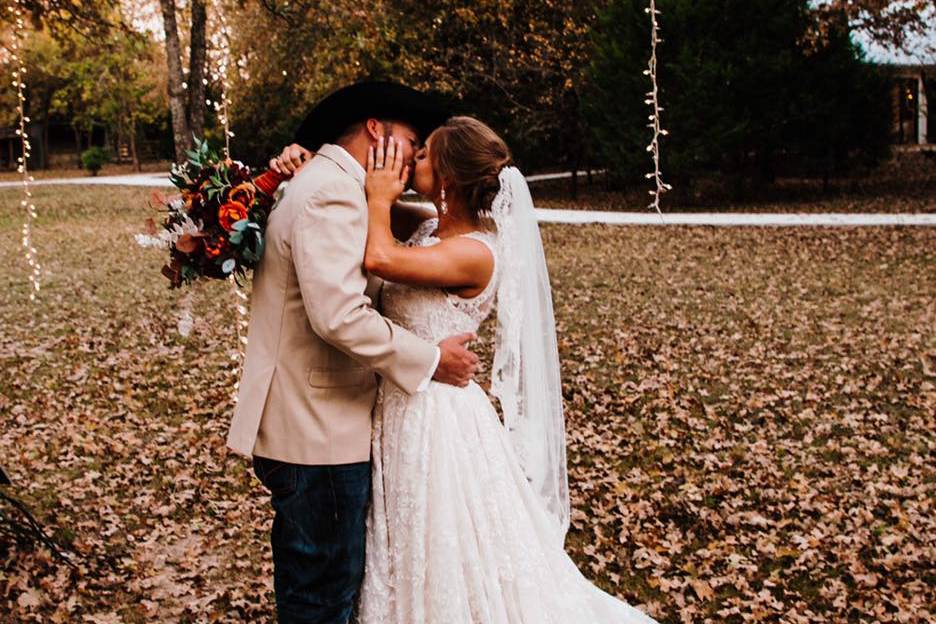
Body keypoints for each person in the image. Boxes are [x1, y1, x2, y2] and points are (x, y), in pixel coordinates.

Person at [353, 116, 660, 622]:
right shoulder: (431, 227)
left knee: (443, 540)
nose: (414, 160)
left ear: (448, 178)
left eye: (424, 154)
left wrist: (378, 196)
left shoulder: (475, 253)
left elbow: (379, 256)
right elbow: (367, 217)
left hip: (439, 419)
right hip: (405, 403)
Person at [227, 82, 480, 624]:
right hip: (317, 433)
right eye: (410, 139)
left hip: (312, 424)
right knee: (323, 598)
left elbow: (411, 233)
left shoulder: (333, 183)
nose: (414, 156)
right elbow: (339, 314)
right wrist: (431, 360)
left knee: (319, 588)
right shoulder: (331, 192)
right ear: (375, 129)